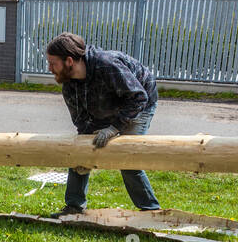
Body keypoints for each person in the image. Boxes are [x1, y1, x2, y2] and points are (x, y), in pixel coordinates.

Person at [44, 32, 161, 218]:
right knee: (79, 152)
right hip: (108, 104)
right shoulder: (68, 84)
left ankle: (151, 210)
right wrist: (84, 155)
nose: (49, 67)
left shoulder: (107, 65)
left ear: (69, 61)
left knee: (128, 157)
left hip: (139, 102)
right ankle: (74, 207)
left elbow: (138, 97)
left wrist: (115, 128)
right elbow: (81, 121)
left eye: (52, 63)